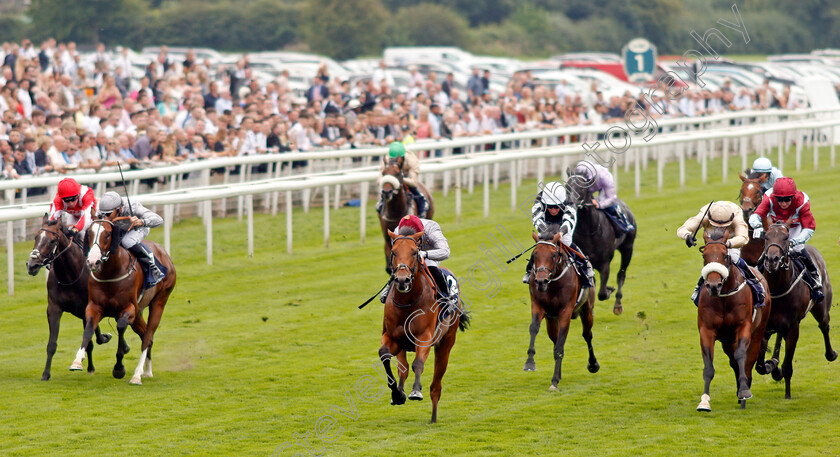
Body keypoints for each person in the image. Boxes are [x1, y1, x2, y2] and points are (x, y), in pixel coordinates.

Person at [749, 177, 823, 303]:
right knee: (768, 252)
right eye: (780, 199)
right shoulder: (768, 198)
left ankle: (815, 281)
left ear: (793, 197)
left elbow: (809, 228)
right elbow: (755, 215)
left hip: (794, 228)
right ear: (774, 197)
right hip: (775, 227)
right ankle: (755, 282)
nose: (783, 203)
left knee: (797, 249)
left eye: (787, 199)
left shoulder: (801, 202)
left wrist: (797, 240)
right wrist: (757, 226)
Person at [677, 200, 761, 305]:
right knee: (710, 260)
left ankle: (755, 282)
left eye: (723, 225)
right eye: (715, 225)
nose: (720, 227)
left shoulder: (737, 214)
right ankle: (698, 288)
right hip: (711, 245)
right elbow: (683, 229)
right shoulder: (705, 213)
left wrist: (727, 244)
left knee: (734, 257)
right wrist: (687, 236)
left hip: (730, 244)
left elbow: (743, 238)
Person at [523, 181, 596, 295]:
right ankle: (529, 271)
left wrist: (561, 233)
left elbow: (569, 220)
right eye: (550, 207)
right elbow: (537, 219)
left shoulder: (569, 203)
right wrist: (546, 233)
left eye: (556, 207)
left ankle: (586, 266)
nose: (552, 210)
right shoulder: (539, 202)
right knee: (542, 245)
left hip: (564, 223)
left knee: (566, 242)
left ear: (562, 204)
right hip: (545, 224)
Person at [379, 215, 457, 311]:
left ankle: (447, 298)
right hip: (409, 254)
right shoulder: (396, 233)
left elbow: (445, 252)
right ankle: (388, 288)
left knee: (431, 268)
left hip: (429, 252)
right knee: (400, 268)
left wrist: (424, 254)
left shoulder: (431, 229)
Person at [96, 191, 166, 286]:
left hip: (138, 228)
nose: (105, 217)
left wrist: (141, 221)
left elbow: (159, 220)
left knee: (127, 241)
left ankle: (153, 267)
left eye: (108, 214)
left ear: (119, 209)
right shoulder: (102, 211)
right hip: (119, 229)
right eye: (103, 214)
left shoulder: (132, 207)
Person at [574, 161, 634, 233]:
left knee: (607, 205)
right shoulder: (579, 176)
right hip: (586, 188)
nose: (588, 184)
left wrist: (599, 204)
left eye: (589, 181)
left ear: (593, 177)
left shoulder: (605, 178)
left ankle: (623, 222)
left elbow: (612, 198)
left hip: (602, 186)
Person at [377, 141, 427, 218]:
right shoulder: (387, 159)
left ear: (402, 156)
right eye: (392, 158)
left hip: (406, 177)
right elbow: (379, 178)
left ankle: (422, 208)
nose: (395, 160)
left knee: (415, 191)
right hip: (392, 179)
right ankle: (380, 207)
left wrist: (400, 179)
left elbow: (413, 182)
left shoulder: (411, 160)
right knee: (385, 192)